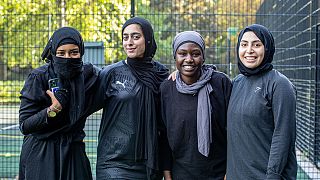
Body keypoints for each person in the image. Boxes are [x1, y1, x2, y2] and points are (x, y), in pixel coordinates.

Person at [84, 17, 169, 179]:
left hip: (149, 163)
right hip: (114, 164)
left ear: (148, 39)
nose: (129, 42)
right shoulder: (111, 73)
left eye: (136, 37)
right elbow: (83, 106)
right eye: (125, 37)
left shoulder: (161, 76)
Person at [18, 27, 98, 180]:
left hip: (74, 152)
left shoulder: (89, 77)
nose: (67, 58)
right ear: (53, 52)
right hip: (41, 153)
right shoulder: (39, 77)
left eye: (73, 52)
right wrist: (52, 109)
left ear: (81, 51)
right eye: (61, 53)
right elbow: (25, 125)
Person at [226, 24, 297, 179]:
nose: (249, 50)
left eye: (257, 45)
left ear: (267, 48)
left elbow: (283, 136)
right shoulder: (237, 83)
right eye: (244, 44)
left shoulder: (279, 84)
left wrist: (272, 176)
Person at [159, 31, 232, 180]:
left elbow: (233, 132)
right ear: (175, 57)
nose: (189, 59)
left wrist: (228, 173)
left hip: (218, 173)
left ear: (203, 57)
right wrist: (167, 174)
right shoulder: (167, 88)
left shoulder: (220, 83)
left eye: (195, 54)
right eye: (182, 54)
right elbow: (164, 135)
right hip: (181, 174)